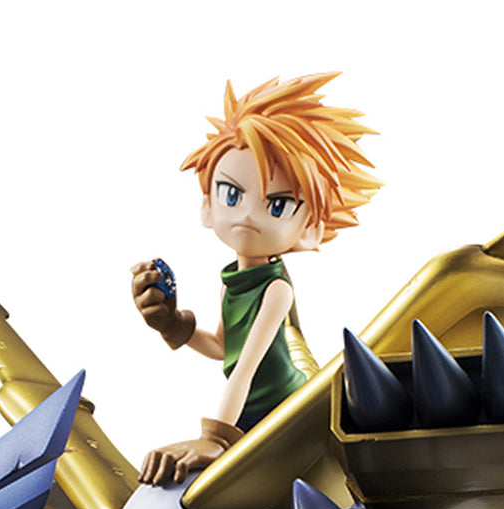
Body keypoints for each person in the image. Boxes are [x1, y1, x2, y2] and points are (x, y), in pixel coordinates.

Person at [134, 74, 380, 486]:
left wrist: (215, 438)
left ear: (310, 229)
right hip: (245, 415)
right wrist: (174, 325)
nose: (248, 214)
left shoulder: (277, 290)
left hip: (285, 415)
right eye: (232, 195)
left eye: (277, 204)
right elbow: (224, 349)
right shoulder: (233, 281)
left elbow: (245, 369)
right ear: (207, 206)